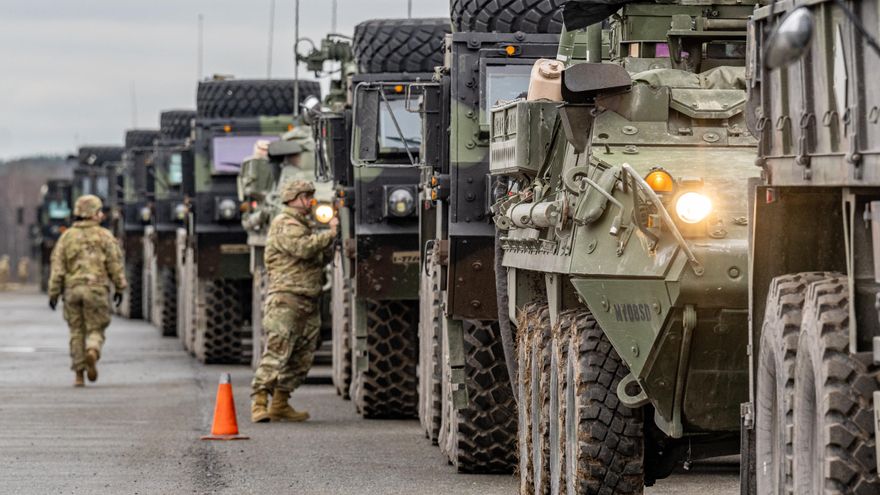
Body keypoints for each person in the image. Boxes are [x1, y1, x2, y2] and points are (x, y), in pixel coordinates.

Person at [251, 179, 338, 422]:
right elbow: (303, 248)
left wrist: (330, 242)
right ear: (292, 199)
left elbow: (318, 258)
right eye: (305, 196)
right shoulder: (284, 223)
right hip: (286, 299)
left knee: (302, 356)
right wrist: (330, 234)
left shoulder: (304, 225)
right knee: (277, 351)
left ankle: (280, 402)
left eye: (310, 196)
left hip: (308, 300)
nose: (310, 201)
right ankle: (259, 402)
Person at [48, 195, 127, 387]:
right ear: (93, 213)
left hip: (72, 290)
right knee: (96, 328)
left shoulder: (66, 237)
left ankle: (78, 375)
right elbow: (115, 265)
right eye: (99, 211)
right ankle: (92, 349)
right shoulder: (105, 236)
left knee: (76, 331)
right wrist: (119, 287)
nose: (102, 215)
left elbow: (58, 268)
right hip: (96, 290)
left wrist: (53, 293)